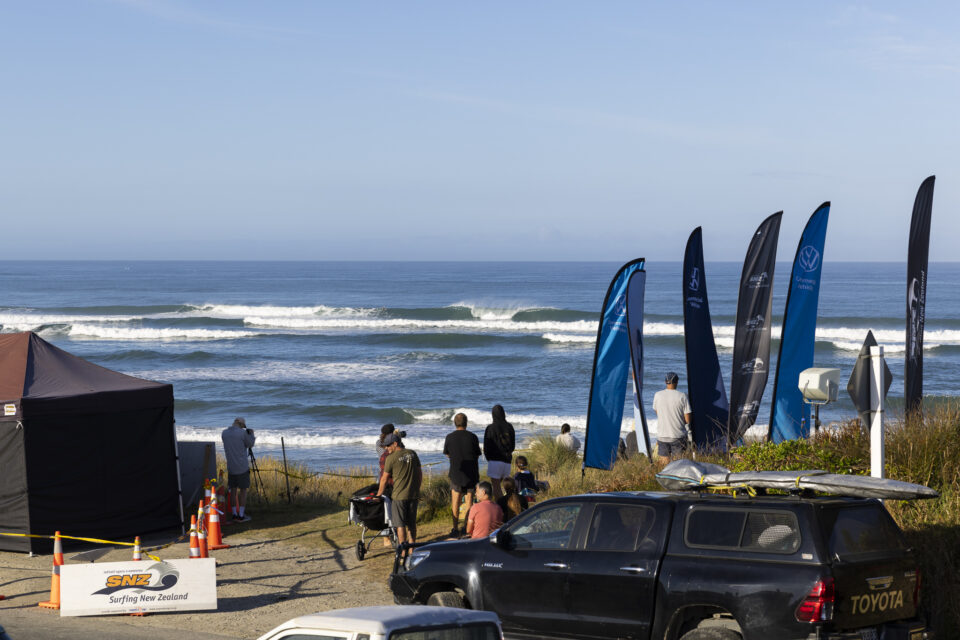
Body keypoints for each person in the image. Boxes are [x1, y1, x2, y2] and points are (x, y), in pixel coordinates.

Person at [377, 433, 422, 558]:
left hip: (399, 496)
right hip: (413, 495)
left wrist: (379, 494)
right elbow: (419, 474)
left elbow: (384, 479)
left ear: (395, 444)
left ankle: (403, 549)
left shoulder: (391, 458)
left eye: (388, 446)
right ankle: (412, 548)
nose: (386, 448)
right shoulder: (413, 453)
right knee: (412, 524)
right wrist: (417, 489)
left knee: (400, 524)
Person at [443, 412, 482, 538]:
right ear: (466, 423)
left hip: (456, 472)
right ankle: (466, 527)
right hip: (471, 472)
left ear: (455, 423)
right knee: (469, 500)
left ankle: (455, 528)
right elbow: (477, 454)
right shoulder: (473, 437)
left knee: (456, 500)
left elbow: (447, 453)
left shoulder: (449, 437)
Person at [221, 417, 256, 522]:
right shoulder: (242, 433)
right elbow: (250, 444)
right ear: (241, 424)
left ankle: (234, 514)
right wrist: (252, 434)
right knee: (243, 491)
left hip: (231, 467)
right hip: (242, 467)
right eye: (243, 426)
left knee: (233, 491)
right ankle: (241, 515)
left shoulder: (224, 433)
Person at [652, 372, 692, 461]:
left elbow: (657, 412)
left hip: (662, 435)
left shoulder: (657, 395)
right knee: (678, 464)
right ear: (676, 382)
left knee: (664, 464)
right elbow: (687, 419)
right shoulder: (682, 396)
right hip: (677, 435)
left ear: (665, 382)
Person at [484, 404, 515, 499]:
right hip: (507, 461)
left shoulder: (491, 428)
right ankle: (509, 505)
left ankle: (501, 508)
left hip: (494, 461)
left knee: (496, 487)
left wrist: (488, 458)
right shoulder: (509, 427)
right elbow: (513, 445)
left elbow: (487, 446)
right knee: (506, 487)